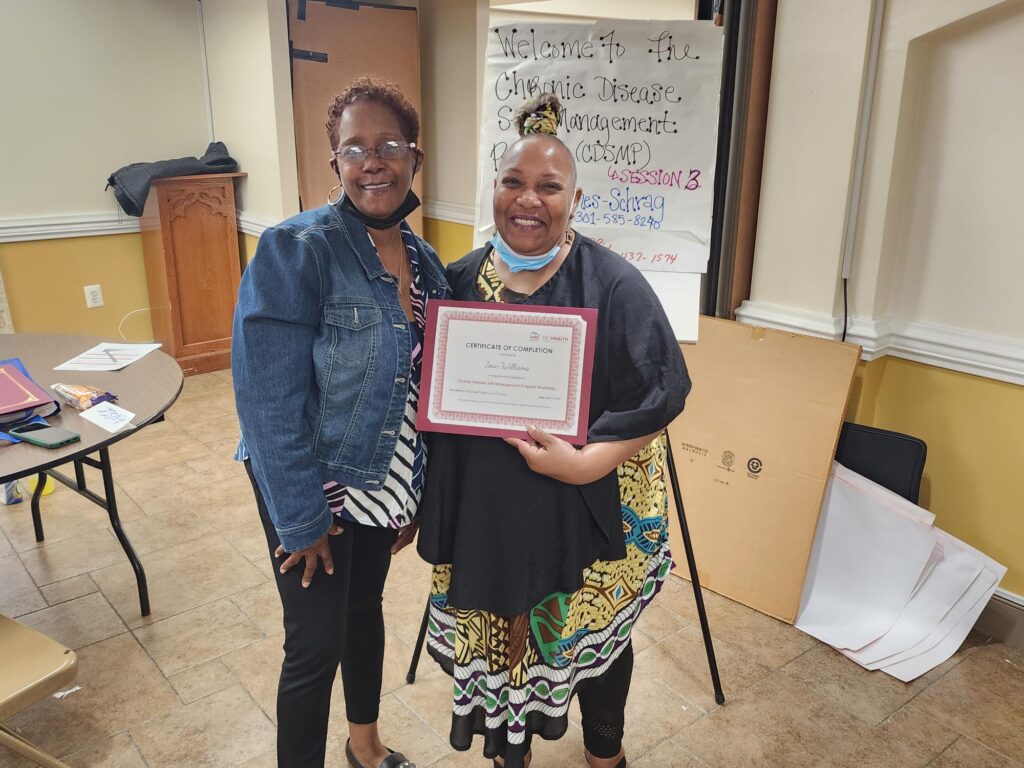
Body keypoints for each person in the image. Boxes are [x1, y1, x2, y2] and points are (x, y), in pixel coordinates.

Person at [417, 94, 691, 768]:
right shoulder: (458, 282)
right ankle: (511, 752)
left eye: (548, 186)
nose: (527, 200)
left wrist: (588, 463)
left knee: (593, 646)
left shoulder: (614, 284)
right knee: (503, 643)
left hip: (585, 505)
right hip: (491, 517)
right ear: (495, 189)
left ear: (574, 196)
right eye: (513, 182)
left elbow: (665, 390)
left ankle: (605, 753)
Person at [232, 76, 449, 768]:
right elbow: (266, 400)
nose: (372, 160)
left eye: (388, 144)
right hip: (312, 483)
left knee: (363, 612)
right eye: (354, 149)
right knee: (315, 642)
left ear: (415, 156)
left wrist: (409, 491)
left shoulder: (427, 263)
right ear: (336, 166)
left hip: (381, 482)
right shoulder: (296, 249)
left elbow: (420, 389)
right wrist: (300, 517)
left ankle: (365, 745)